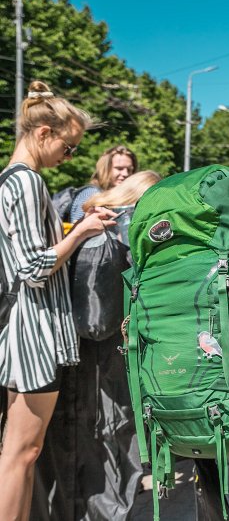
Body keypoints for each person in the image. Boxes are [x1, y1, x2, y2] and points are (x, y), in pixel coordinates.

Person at [0, 81, 116, 521]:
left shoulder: (13, 180)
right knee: (22, 452)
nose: (69, 158)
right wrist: (84, 233)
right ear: (43, 133)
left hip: (22, 329)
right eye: (68, 148)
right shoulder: (28, 182)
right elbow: (33, 268)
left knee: (21, 451)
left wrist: (73, 229)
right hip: (34, 331)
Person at [33, 170, 160, 520]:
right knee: (105, 441)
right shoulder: (115, 227)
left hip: (62, 351)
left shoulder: (81, 217)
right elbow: (98, 319)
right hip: (103, 354)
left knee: (69, 444)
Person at [69, 145, 138, 222]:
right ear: (105, 169)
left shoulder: (126, 199)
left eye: (129, 170)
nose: (125, 174)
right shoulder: (90, 194)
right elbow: (77, 227)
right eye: (119, 168)